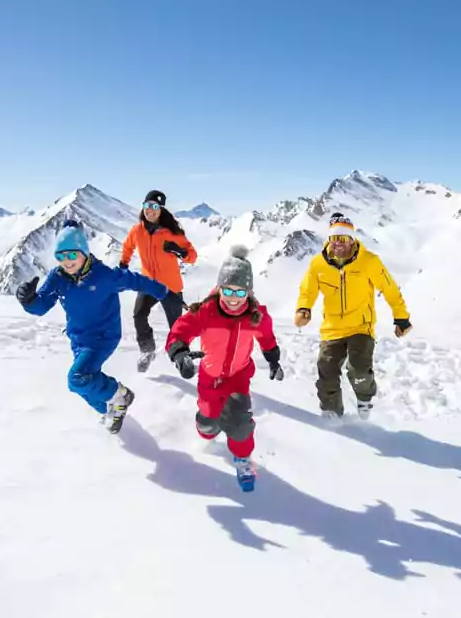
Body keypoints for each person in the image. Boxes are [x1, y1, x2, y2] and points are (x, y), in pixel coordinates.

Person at [17, 219, 170, 433]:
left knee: (76, 379)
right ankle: (111, 409)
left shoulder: (103, 275)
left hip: (103, 337)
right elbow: (41, 307)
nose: (67, 261)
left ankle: (121, 395)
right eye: (61, 256)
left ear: (84, 252)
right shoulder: (58, 277)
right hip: (78, 339)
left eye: (72, 255)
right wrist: (28, 300)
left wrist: (164, 293)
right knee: (85, 387)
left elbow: (136, 280)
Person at [165, 246, 284, 492]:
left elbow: (267, 337)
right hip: (209, 376)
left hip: (238, 376)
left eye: (239, 292)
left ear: (249, 292)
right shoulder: (205, 311)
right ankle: (208, 425)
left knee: (240, 421)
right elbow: (180, 330)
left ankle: (243, 460)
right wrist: (179, 354)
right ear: (219, 288)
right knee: (208, 428)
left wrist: (273, 359)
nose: (232, 298)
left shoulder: (255, 315)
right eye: (227, 290)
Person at [294, 213, 412, 420]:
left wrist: (401, 317)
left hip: (361, 327)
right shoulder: (318, 264)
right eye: (334, 238)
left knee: (358, 369)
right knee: (326, 370)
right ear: (329, 239)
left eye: (343, 238)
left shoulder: (369, 261)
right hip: (332, 329)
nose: (338, 243)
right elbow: (307, 291)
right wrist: (304, 308)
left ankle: (364, 398)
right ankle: (332, 413)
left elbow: (390, 289)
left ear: (352, 240)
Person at [119, 189, 198, 371]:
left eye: (155, 206)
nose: (150, 210)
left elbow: (192, 256)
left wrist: (180, 252)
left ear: (161, 209)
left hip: (170, 286)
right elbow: (128, 246)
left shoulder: (172, 233)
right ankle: (147, 350)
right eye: (147, 205)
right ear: (143, 207)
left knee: (176, 327)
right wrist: (124, 263)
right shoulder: (137, 230)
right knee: (139, 316)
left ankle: (182, 358)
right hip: (148, 284)